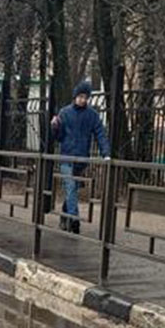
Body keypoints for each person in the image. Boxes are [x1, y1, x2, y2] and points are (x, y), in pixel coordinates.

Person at [51, 81, 111, 234]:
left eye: (86, 97)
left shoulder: (92, 115)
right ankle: (74, 221)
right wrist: (55, 127)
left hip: (82, 159)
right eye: (81, 96)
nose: (83, 100)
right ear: (75, 96)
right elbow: (58, 137)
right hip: (67, 157)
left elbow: (100, 134)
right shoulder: (65, 113)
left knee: (72, 190)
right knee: (71, 188)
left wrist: (106, 154)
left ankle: (64, 217)